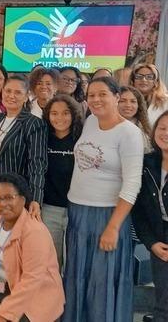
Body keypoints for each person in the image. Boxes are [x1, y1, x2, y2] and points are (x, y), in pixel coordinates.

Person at [63, 77, 144, 322]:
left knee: (102, 279)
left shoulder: (129, 133)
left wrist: (113, 227)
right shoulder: (90, 121)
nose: (96, 100)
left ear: (117, 97)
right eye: (91, 95)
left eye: (103, 94)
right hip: (78, 211)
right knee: (78, 275)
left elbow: (132, 184)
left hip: (107, 215)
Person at [0, 173, 64, 322]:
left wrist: (3, 314)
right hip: (4, 285)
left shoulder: (34, 232)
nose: (3, 204)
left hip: (36, 295)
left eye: (9, 197)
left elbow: (32, 280)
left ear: (23, 199)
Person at [0, 74, 47, 220]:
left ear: (26, 97)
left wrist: (36, 198)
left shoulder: (33, 123)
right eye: (8, 91)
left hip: (14, 190)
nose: (11, 96)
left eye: (18, 92)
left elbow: (37, 164)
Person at [132, 111, 168, 322]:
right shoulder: (146, 163)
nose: (166, 133)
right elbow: (139, 210)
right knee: (163, 301)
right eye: (162, 128)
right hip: (158, 237)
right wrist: (151, 243)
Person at [41, 94, 84, 269]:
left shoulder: (82, 139)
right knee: (51, 259)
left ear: (74, 115)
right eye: (54, 113)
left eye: (65, 113)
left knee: (75, 259)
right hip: (49, 209)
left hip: (77, 208)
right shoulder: (42, 139)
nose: (60, 118)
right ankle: (53, 294)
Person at [119, 85, 152, 152]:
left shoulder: (146, 128)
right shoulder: (105, 125)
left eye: (133, 101)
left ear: (138, 105)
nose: (128, 105)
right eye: (122, 101)